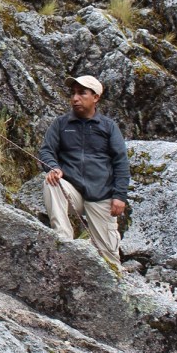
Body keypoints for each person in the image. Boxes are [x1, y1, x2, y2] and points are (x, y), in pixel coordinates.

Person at [39, 74, 130, 266]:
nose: (75, 98)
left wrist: (120, 196)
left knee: (110, 260)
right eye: (73, 93)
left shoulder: (109, 127)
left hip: (102, 196)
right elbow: (47, 150)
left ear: (95, 97)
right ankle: (63, 243)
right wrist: (53, 168)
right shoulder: (61, 124)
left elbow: (121, 162)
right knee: (52, 183)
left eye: (82, 93)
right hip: (72, 191)